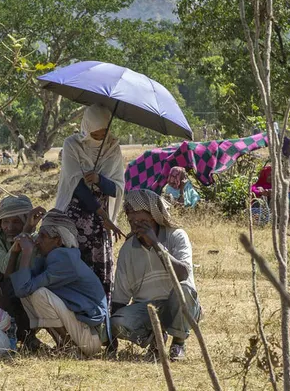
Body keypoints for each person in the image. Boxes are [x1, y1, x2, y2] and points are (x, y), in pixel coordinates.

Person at [111, 189, 200, 362]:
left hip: (180, 304)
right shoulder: (128, 250)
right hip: (147, 309)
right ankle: (155, 340)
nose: (137, 226)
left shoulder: (176, 235)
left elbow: (182, 274)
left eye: (143, 220)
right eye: (132, 221)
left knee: (183, 290)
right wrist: (112, 341)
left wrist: (156, 244)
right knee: (117, 323)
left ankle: (178, 343)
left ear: (155, 216)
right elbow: (119, 300)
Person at [10, 210, 109, 357]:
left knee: (38, 294)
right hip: (84, 333)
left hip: (90, 337)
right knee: (29, 293)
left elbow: (24, 288)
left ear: (58, 241)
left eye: (43, 236)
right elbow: (21, 287)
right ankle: (64, 345)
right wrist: (17, 252)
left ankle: (71, 349)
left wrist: (27, 252)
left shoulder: (63, 258)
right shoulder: (53, 256)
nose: (37, 240)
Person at [55, 104, 125, 302]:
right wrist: (105, 217)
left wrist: (99, 180)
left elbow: (117, 188)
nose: (100, 139)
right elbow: (75, 184)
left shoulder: (113, 148)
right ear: (86, 129)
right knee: (74, 270)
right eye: (95, 135)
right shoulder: (72, 145)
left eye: (104, 134)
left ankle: (100, 322)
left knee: (99, 273)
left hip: (99, 227)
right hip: (75, 218)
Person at [0, 195, 46, 347]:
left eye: (17, 222)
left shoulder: (35, 238)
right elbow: (5, 269)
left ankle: (26, 335)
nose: (10, 227)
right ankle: (1, 333)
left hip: (22, 297)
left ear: (27, 221)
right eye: (6, 221)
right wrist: (24, 233)